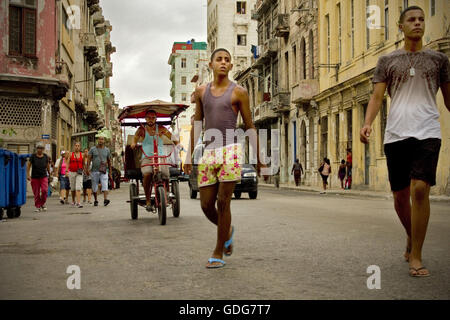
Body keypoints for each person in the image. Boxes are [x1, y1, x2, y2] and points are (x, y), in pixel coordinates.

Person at [360, 6, 449, 277]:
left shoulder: (439, 60)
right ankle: (412, 236)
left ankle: (417, 256)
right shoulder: (387, 61)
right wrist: (367, 123)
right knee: (400, 197)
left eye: (421, 19)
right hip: (396, 133)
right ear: (401, 26)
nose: (418, 23)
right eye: (411, 20)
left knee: (420, 189)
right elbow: (376, 97)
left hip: (428, 131)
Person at [183, 48, 266, 268]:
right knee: (206, 205)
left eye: (227, 60)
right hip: (208, 152)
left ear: (230, 66)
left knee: (223, 201)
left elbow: (249, 126)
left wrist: (259, 157)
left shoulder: (239, 92)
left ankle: (218, 250)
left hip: (230, 151)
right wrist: (189, 154)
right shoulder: (202, 92)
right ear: (211, 65)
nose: (223, 62)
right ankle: (227, 230)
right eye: (218, 59)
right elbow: (198, 124)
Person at [131, 110, 178, 212]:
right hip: (147, 157)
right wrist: (134, 143)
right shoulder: (141, 129)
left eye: (153, 118)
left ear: (156, 118)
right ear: (145, 119)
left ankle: (166, 193)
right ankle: (148, 200)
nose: (151, 120)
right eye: (148, 117)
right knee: (147, 174)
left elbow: (171, 136)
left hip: (160, 156)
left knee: (165, 174)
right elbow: (134, 139)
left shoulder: (161, 128)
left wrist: (177, 143)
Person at [87, 136, 112, 206]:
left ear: (104, 141)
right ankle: (95, 200)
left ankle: (105, 199)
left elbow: (109, 161)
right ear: (97, 140)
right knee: (94, 187)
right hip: (94, 171)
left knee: (105, 185)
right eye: (99, 139)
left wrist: (110, 172)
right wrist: (87, 169)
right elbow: (89, 159)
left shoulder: (107, 150)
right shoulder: (93, 149)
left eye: (102, 139)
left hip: (104, 171)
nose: (101, 140)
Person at [27, 143, 51, 212]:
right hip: (35, 177)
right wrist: (28, 175)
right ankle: (38, 206)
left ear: (43, 149)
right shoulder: (33, 156)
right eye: (38, 148)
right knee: (36, 193)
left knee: (44, 191)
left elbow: (47, 165)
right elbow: (28, 166)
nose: (39, 150)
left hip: (43, 176)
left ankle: (42, 203)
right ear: (36, 149)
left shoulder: (45, 156)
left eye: (41, 148)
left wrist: (50, 174)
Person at [67, 142, 84, 208]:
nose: (77, 147)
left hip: (79, 173)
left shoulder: (82, 155)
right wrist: (66, 171)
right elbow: (68, 163)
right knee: (73, 188)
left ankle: (78, 202)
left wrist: (85, 170)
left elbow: (84, 164)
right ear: (74, 147)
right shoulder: (71, 154)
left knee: (78, 187)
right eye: (76, 146)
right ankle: (73, 200)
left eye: (78, 146)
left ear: (80, 147)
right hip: (72, 172)